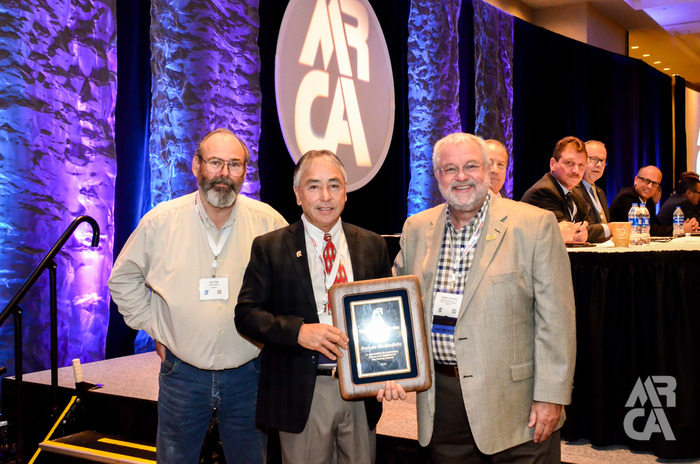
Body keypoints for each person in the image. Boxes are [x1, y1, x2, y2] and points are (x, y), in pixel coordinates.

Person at [392, 132, 576, 463]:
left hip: (516, 403)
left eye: (470, 166)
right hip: (443, 401)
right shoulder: (416, 228)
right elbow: (397, 306)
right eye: (449, 169)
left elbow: (557, 320)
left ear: (488, 169)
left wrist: (551, 397)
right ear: (437, 177)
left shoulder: (534, 225)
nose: (460, 177)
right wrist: (386, 365)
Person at [109, 128, 288, 464]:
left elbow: (289, 289)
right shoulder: (161, 222)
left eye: (234, 165)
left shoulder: (269, 224)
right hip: (183, 376)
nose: (224, 174)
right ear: (196, 166)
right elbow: (123, 280)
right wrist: (156, 327)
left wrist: (271, 335)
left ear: (245, 171)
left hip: (248, 375)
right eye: (215, 162)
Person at [235, 150, 405, 464]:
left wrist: (391, 369)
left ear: (345, 192)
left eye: (334, 185)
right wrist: (297, 331)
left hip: (360, 389)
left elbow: (388, 316)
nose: (325, 196)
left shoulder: (371, 244)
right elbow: (246, 315)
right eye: (313, 186)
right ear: (298, 194)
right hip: (304, 390)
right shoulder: (270, 246)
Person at [520, 136, 606, 243]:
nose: (576, 170)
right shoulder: (544, 192)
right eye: (569, 163)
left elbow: (586, 227)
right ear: (552, 164)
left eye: (581, 165)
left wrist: (584, 233)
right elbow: (565, 234)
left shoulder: (575, 193)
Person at [607, 165, 696, 236]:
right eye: (646, 181)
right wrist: (680, 229)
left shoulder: (648, 200)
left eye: (654, 183)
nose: (649, 186)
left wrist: (682, 226)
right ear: (636, 180)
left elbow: (657, 226)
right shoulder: (626, 197)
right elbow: (644, 229)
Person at [575, 140, 611, 240]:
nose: (599, 165)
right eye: (594, 159)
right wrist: (610, 228)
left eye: (602, 161)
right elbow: (579, 229)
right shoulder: (573, 190)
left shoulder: (600, 192)